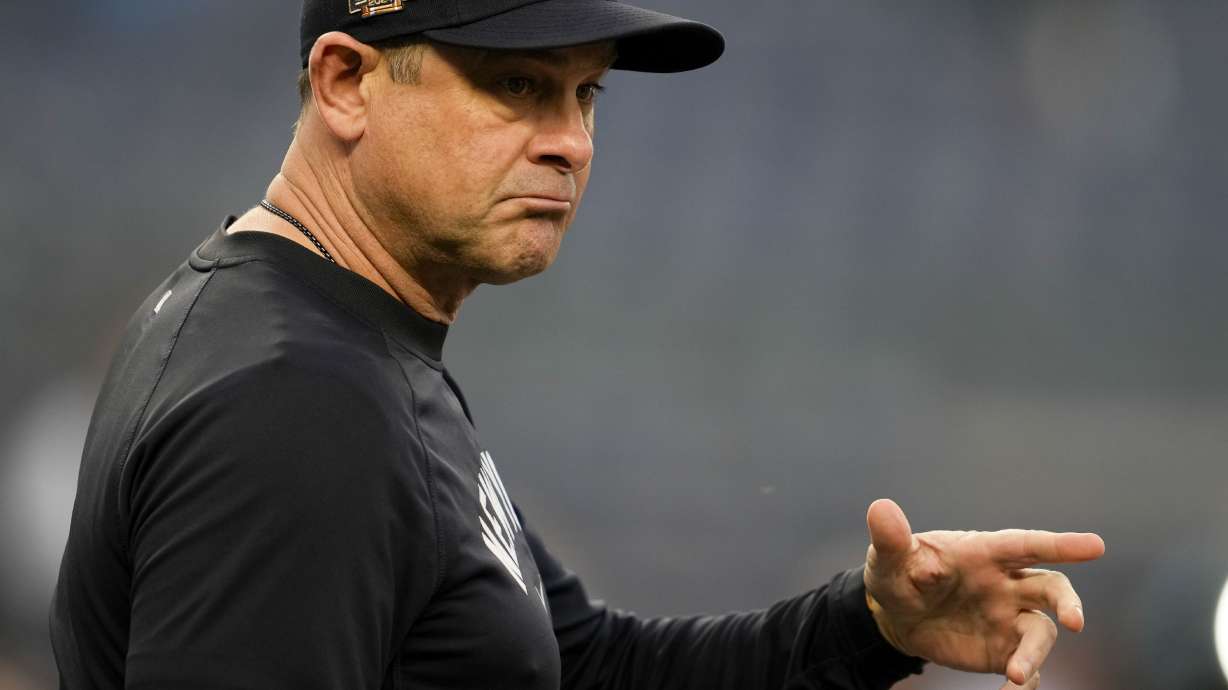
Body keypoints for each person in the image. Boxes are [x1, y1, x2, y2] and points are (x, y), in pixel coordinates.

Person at [50, 2, 1105, 689]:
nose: (569, 141)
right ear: (344, 82)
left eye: (584, 92)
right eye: (517, 85)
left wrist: (868, 627)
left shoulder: (340, 344)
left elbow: (582, 666)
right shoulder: (298, 402)